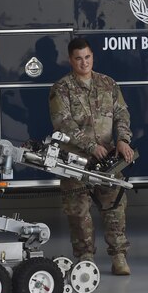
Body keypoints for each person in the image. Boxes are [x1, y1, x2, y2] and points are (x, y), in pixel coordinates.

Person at [49, 38, 136, 276]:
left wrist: (123, 139)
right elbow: (62, 123)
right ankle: (85, 257)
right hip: (75, 163)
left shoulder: (108, 84)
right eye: (78, 58)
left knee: (115, 206)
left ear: (92, 57)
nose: (84, 62)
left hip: (107, 160)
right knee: (78, 212)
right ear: (71, 60)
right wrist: (90, 145)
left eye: (87, 57)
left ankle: (119, 256)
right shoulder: (61, 88)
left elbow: (122, 114)